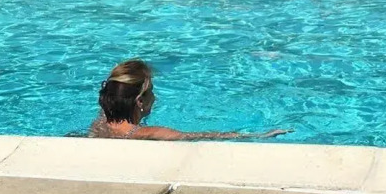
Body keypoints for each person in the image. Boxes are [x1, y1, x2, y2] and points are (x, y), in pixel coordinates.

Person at [89, 60, 287, 140]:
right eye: (152, 92)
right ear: (140, 101)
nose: (155, 97)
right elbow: (198, 136)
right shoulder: (147, 133)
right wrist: (259, 135)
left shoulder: (102, 121)